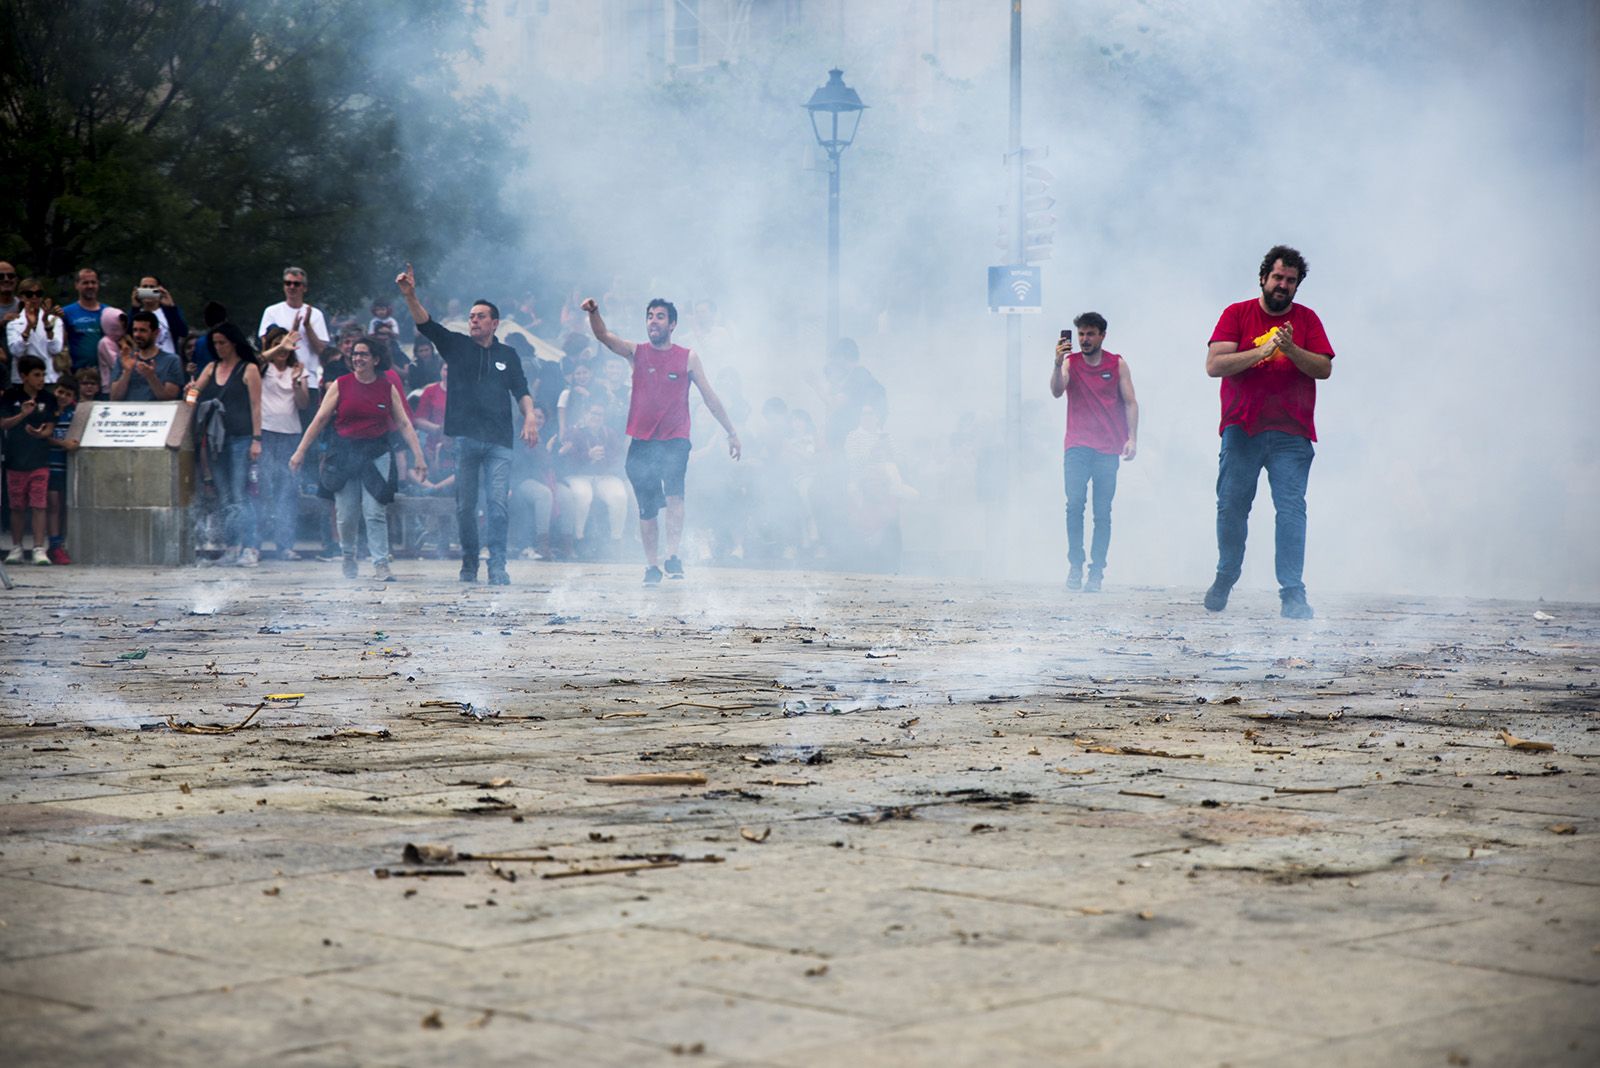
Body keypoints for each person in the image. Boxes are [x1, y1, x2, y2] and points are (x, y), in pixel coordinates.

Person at [1203, 244, 1335, 620]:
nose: (1283, 285)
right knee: (1231, 507)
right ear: (1263, 278)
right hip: (1241, 429)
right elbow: (1214, 365)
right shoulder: (1237, 314)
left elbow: (1323, 369)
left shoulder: (1307, 321)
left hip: (1291, 433)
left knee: (1291, 510)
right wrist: (1259, 354)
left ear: (1297, 286)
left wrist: (1291, 349)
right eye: (1277, 277)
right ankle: (1226, 574)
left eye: (1291, 281)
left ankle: (1293, 593)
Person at [582, 296, 741, 585]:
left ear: (672, 324)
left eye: (659, 317)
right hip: (642, 440)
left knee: (675, 495)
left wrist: (731, 431)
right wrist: (594, 312)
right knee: (647, 507)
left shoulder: (687, 357)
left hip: (675, 439)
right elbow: (603, 336)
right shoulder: (636, 352)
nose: (653, 321)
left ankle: (673, 556)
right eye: (650, 316)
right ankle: (652, 565)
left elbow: (709, 396)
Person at [396, 262, 537, 586]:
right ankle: (470, 563)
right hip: (466, 441)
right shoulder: (457, 346)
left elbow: (522, 390)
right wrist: (410, 295)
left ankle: (498, 564)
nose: (473, 320)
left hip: (500, 441)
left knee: (499, 505)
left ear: (494, 323)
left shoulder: (509, 354)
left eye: (480, 316)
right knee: (466, 507)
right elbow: (427, 325)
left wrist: (529, 415)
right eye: (471, 316)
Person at [290, 336, 426, 581]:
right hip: (344, 454)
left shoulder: (387, 387)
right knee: (347, 513)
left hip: (376, 453)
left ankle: (381, 564)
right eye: (355, 354)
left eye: (363, 354)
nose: (358, 358)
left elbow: (404, 423)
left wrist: (419, 456)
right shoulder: (341, 384)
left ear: (375, 359)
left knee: (374, 512)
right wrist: (300, 451)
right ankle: (348, 556)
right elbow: (320, 419)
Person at [1049, 312, 1139, 593]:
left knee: (1102, 512)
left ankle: (1096, 570)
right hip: (1077, 444)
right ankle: (1075, 564)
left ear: (1102, 335)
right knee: (1074, 505)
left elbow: (1130, 402)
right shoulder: (1070, 363)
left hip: (1108, 447)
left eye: (1090, 334)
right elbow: (1056, 391)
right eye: (1081, 335)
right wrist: (1055, 363)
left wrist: (1132, 438)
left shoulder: (1117, 363)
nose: (1085, 340)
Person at [191, 323, 264, 567]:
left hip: (241, 438)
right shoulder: (211, 368)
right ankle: (232, 545)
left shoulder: (249, 368)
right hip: (216, 441)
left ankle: (250, 545)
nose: (219, 347)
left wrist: (257, 439)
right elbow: (194, 394)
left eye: (223, 342)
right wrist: (189, 394)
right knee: (224, 495)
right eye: (215, 343)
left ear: (233, 342)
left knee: (240, 494)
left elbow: (256, 405)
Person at [258, 325, 312, 559]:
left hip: (290, 434)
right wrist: (280, 345)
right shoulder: (262, 368)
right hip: (264, 433)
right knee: (262, 489)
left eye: (286, 344)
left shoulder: (298, 368)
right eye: (277, 343)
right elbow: (255, 359)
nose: (283, 349)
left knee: (287, 491)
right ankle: (255, 544)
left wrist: (298, 382)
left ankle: (285, 545)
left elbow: (303, 404)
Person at [2, 355, 58, 564]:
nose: (41, 379)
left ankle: (38, 548)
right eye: (36, 375)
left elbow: (50, 427)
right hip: (15, 459)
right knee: (17, 506)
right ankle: (16, 547)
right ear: (24, 376)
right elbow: (4, 424)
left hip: (39, 460)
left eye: (43, 374)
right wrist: (23, 415)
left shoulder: (48, 398)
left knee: (39, 504)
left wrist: (40, 433)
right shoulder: (10, 396)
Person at [257, 267, 329, 387]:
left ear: (304, 288)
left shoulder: (315, 314)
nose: (292, 287)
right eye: (288, 283)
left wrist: (307, 326)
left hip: (308, 378)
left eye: (296, 284)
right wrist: (293, 330)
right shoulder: (271, 312)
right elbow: (265, 345)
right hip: (277, 378)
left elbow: (321, 350)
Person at [108, 311, 183, 402]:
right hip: (128, 413)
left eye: (142, 330)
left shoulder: (172, 360)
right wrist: (127, 372)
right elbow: (114, 398)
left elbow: (170, 398)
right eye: (135, 330)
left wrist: (151, 377)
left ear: (156, 332)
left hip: (158, 414)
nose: (137, 335)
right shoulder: (124, 359)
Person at [6, 278, 66, 384]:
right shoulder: (13, 323)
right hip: (22, 381)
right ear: (21, 297)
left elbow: (56, 349)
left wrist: (46, 323)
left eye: (38, 294)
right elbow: (16, 351)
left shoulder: (54, 320)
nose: (34, 297)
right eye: (29, 294)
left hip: (48, 378)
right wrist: (28, 327)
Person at [46, 375, 79, 564]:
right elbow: (43, 435)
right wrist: (62, 443)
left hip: (68, 466)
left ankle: (62, 544)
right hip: (50, 464)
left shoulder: (75, 413)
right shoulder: (48, 410)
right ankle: (54, 544)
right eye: (60, 392)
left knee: (66, 508)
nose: (62, 396)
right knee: (53, 505)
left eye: (67, 394)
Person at [61, 268, 109, 373]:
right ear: (76, 285)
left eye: (93, 282)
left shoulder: (108, 313)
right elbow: (61, 345)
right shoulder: (66, 313)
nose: (90, 286)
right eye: (85, 283)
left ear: (98, 284)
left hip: (104, 374)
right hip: (76, 374)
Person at [126, 275, 187, 356]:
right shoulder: (135, 313)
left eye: (152, 287)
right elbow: (129, 334)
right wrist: (135, 308)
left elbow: (182, 332)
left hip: (168, 361)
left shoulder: (169, 312)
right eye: (144, 287)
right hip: (143, 360)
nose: (148, 290)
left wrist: (171, 307)